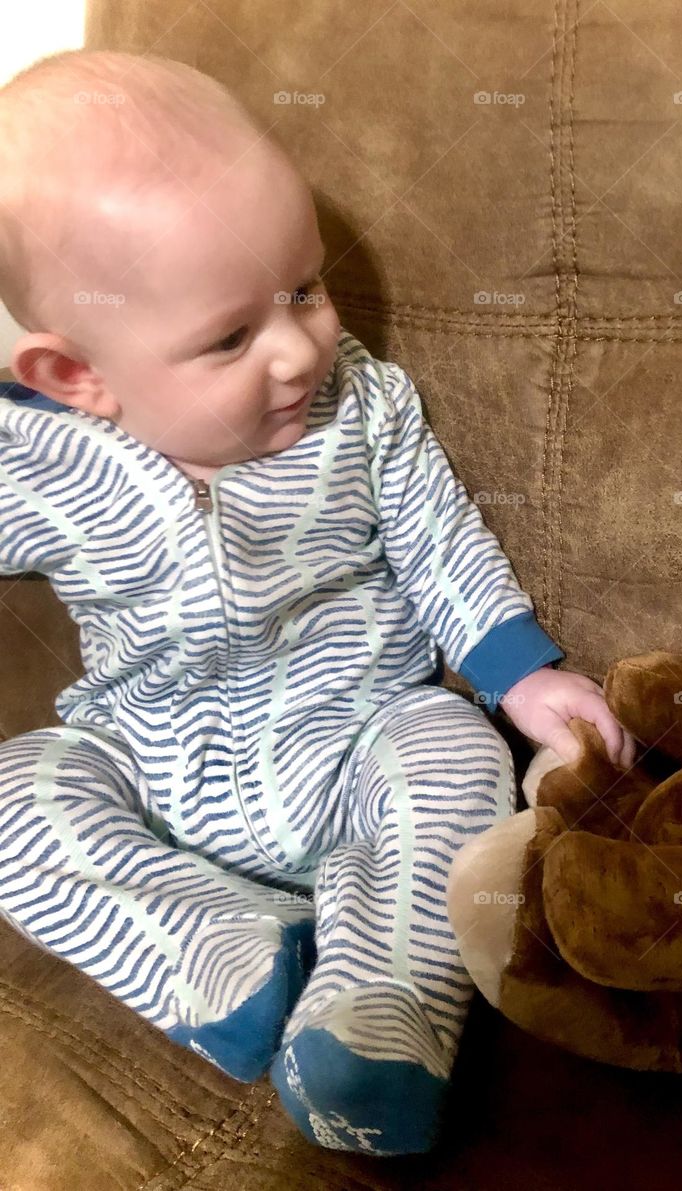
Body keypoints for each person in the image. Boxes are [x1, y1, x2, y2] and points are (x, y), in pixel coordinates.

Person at [0, 49, 636, 1155]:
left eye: (305, 288)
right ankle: (220, 957)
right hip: (149, 775)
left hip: (352, 750)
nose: (301, 348)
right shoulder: (37, 463)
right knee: (12, 795)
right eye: (232, 338)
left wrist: (521, 672)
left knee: (448, 746)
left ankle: (380, 1011)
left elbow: (441, 542)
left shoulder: (363, 412)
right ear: (79, 377)